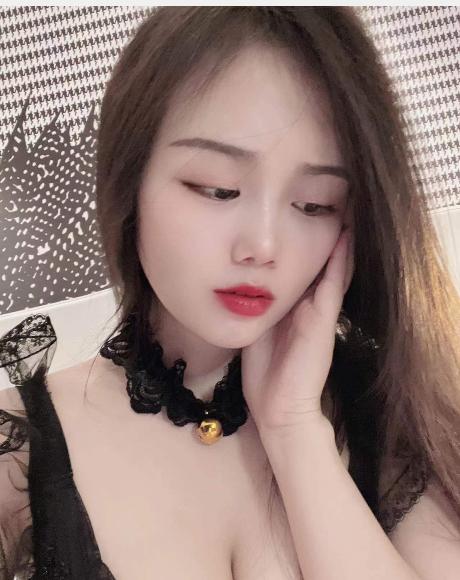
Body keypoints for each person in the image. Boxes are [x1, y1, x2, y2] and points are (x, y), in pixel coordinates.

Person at [1, 6, 459, 579]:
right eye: (217, 189)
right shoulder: (20, 452)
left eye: (314, 204)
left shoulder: (397, 420)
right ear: (129, 180)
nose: (263, 245)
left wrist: (295, 431)